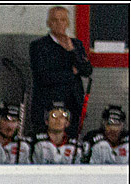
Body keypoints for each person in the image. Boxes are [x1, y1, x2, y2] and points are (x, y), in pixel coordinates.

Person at [29, 6, 92, 138]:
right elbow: (44, 77)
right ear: (48, 23)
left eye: (62, 20)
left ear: (68, 23)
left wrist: (72, 51)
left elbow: (87, 70)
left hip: (73, 103)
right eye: (55, 20)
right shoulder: (38, 46)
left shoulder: (76, 44)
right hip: (49, 104)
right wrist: (72, 73)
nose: (59, 24)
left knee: (71, 142)